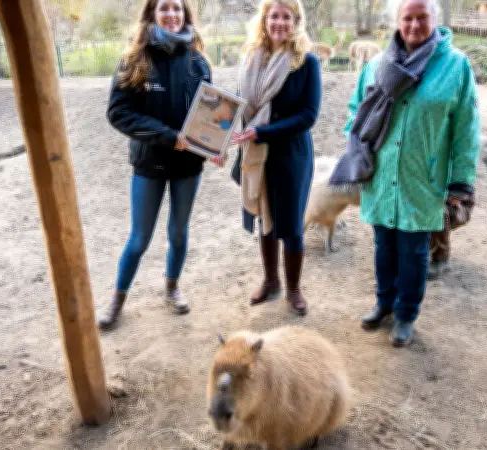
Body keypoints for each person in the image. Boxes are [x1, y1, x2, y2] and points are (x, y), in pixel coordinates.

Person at [328, 0, 481, 346]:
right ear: (396, 21)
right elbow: (356, 110)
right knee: (383, 246)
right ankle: (384, 303)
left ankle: (406, 314)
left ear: (435, 19)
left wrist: (461, 181)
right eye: (407, 18)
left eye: (422, 17)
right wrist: (357, 146)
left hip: (422, 179)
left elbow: (466, 128)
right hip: (381, 175)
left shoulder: (455, 66)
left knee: (413, 253)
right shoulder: (377, 64)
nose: (414, 25)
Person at [97, 0, 223, 330]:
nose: (171, 14)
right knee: (139, 238)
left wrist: (214, 146)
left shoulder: (198, 62)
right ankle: (117, 299)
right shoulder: (134, 59)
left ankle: (172, 288)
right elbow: (118, 113)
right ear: (152, 13)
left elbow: (208, 115)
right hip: (149, 164)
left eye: (177, 8)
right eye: (164, 8)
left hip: (188, 166)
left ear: (185, 14)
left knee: (178, 233)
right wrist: (168, 136)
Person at [229, 0, 321, 316]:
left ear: (296, 21)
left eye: (286, 17)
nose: (279, 22)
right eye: (274, 16)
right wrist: (217, 142)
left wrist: (262, 132)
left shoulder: (305, 61)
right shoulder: (251, 57)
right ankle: (271, 281)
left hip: (290, 155)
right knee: (264, 219)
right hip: (256, 152)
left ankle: (293, 289)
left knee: (291, 224)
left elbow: (308, 115)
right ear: (264, 20)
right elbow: (238, 105)